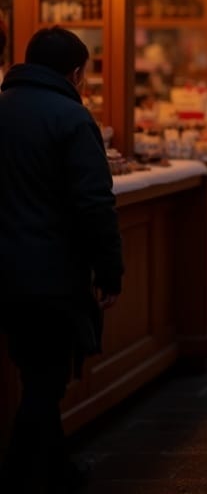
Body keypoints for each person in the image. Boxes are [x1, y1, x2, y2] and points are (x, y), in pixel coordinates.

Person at [0, 26, 124, 493]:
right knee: (45, 382)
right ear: (76, 73)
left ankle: (60, 473)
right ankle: (15, 476)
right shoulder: (71, 119)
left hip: (8, 269)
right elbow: (94, 202)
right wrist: (110, 270)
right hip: (51, 272)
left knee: (36, 375)